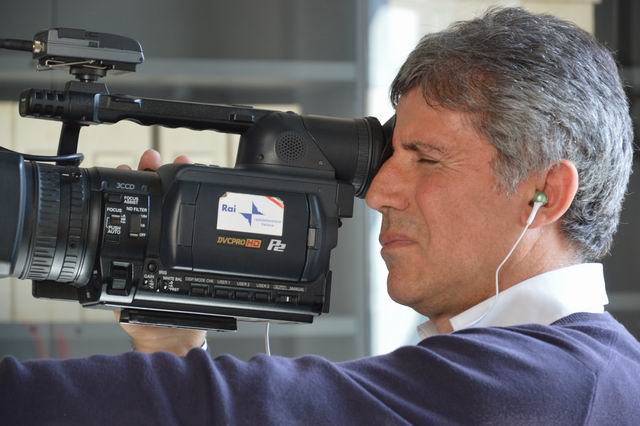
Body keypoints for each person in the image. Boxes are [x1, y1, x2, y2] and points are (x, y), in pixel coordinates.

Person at [2, 7, 639, 425]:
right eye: (389, 156)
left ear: (545, 192)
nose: (379, 192)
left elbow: (217, 411)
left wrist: (181, 388)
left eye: (426, 158)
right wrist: (172, 349)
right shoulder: (600, 375)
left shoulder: (549, 387)